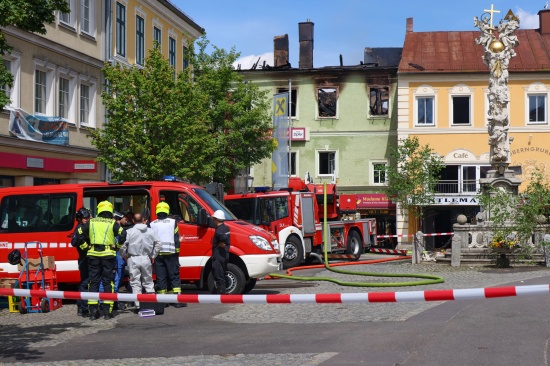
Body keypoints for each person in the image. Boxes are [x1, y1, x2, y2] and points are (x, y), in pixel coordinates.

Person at [73, 200, 126, 320]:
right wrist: (117, 246)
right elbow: (123, 234)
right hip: (108, 256)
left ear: (99, 210)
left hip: (93, 256)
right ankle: (107, 312)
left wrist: (85, 247)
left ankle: (93, 312)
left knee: (93, 282)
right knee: (108, 282)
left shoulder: (91, 222)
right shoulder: (113, 223)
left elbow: (78, 234)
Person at [119, 213, 161, 310]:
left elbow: (122, 245)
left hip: (133, 258)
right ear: (143, 219)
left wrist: (124, 255)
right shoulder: (151, 231)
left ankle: (138, 305)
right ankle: (151, 303)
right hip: (146, 258)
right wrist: (153, 255)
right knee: (148, 282)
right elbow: (158, 244)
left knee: (135, 283)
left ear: (133, 220)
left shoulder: (129, 231)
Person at [150, 202, 186, 308]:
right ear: (167, 211)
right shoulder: (172, 222)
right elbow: (176, 239)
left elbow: (150, 239)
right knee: (174, 276)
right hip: (171, 253)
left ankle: (163, 302)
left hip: (158, 254)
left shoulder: (152, 224)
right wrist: (177, 252)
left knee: (161, 278)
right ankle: (177, 301)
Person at [71, 207, 92, 317]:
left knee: (88, 282)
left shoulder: (87, 226)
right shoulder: (79, 228)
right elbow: (74, 242)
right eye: (84, 218)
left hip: (89, 258)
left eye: (88, 218)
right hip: (84, 258)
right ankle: (83, 308)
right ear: (79, 219)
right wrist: (86, 247)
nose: (87, 220)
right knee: (85, 283)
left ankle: (83, 306)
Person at [211, 210, 230, 294]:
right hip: (225, 254)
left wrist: (221, 243)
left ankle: (221, 295)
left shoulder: (218, 230)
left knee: (218, 276)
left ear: (215, 219)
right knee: (222, 274)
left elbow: (223, 237)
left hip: (218, 255)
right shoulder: (226, 228)